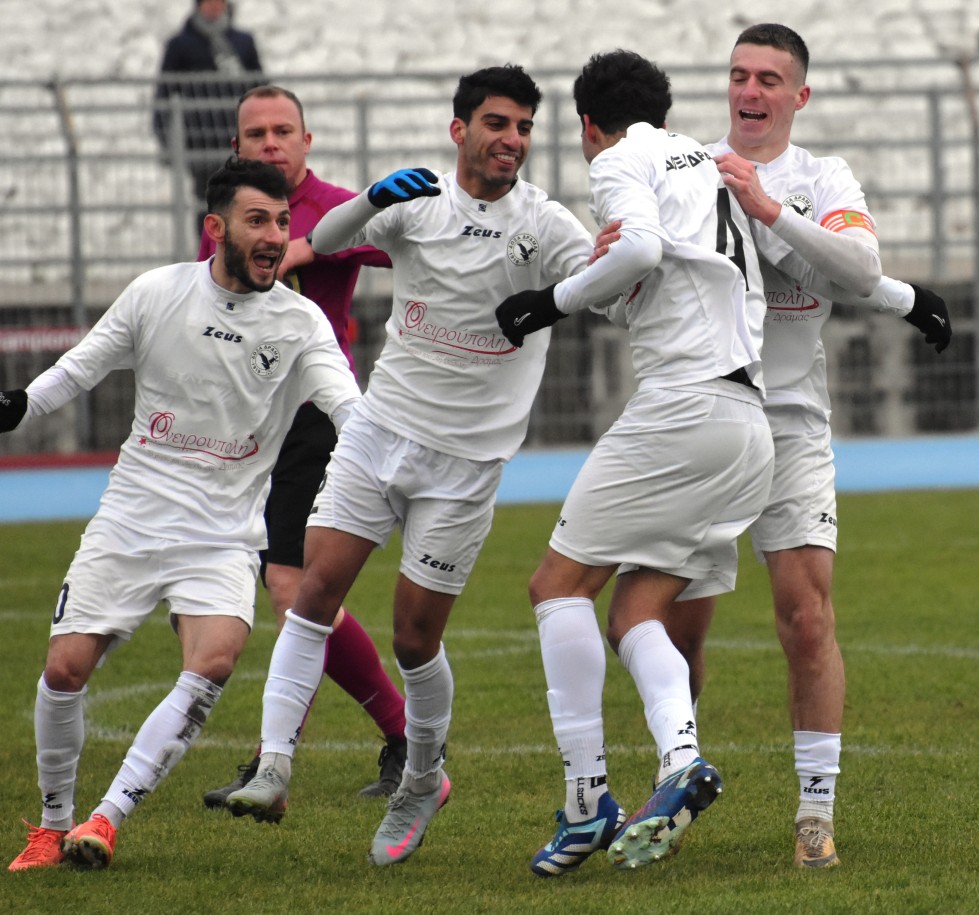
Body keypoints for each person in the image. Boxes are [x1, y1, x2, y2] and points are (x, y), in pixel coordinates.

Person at [222, 65, 603, 868]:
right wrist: (371, 198)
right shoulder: (418, 200)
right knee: (311, 592)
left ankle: (423, 777)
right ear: (460, 129)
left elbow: (605, 280)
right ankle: (274, 764)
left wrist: (573, 287)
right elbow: (325, 240)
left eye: (524, 127)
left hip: (465, 463)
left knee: (414, 636)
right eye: (497, 123)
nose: (512, 139)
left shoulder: (545, 223)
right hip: (378, 432)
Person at [3, 157, 360, 872]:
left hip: (224, 533)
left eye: (282, 221)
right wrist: (18, 405)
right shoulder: (157, 293)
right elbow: (81, 367)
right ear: (215, 228)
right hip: (132, 517)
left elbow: (344, 401)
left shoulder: (300, 323)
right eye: (257, 220)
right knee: (64, 670)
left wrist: (377, 453)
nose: (274, 236)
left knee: (215, 660)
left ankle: (105, 820)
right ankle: (50, 825)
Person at [662, 23, 953, 870]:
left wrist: (769, 208)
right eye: (739, 75)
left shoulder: (823, 178)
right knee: (676, 629)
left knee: (806, 615)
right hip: (704, 421)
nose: (750, 91)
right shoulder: (686, 169)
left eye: (768, 78)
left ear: (800, 95)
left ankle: (814, 814)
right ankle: (675, 781)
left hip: (791, 425)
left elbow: (856, 267)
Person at [494, 48, 775, 875]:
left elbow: (643, 251)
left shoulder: (620, 158)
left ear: (588, 124)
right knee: (634, 613)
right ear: (666, 109)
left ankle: (587, 802)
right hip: (746, 423)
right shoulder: (708, 165)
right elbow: (659, 278)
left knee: (556, 586)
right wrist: (603, 274)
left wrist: (549, 301)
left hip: (683, 409)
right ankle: (681, 757)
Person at [195, 85, 407, 809]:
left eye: (283, 131)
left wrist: (314, 245)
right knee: (291, 591)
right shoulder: (225, 217)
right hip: (252, 423)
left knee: (293, 589)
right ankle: (396, 740)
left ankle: (279, 763)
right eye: (256, 133)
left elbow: (401, 242)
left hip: (318, 416)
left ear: (306, 141)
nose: (270, 143)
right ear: (236, 146)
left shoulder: (336, 206)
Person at [153, 0, 264, 229]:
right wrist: (164, 136)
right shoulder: (180, 45)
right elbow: (164, 92)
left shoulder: (242, 42)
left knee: (244, 201)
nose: (215, 6)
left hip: (241, 139)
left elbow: (260, 87)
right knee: (208, 203)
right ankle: (207, 249)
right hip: (200, 141)